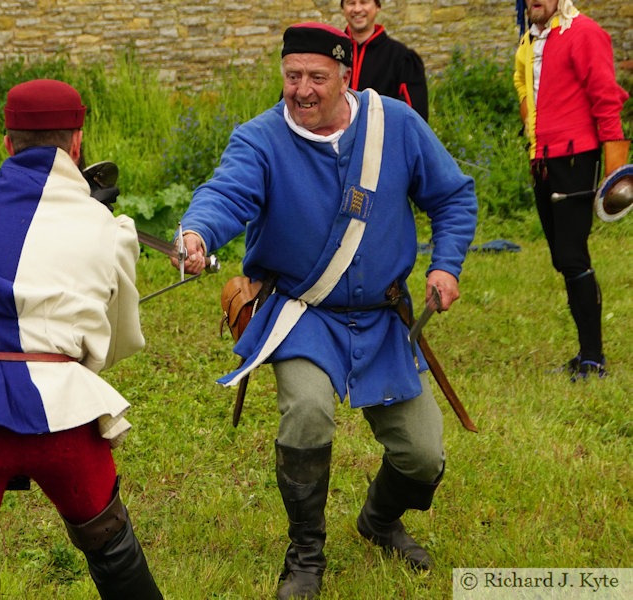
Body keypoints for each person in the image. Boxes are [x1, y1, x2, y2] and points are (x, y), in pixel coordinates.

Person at [173, 22, 476, 600]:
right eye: (292, 76)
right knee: (308, 412)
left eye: (316, 77)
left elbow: (453, 195)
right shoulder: (258, 138)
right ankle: (306, 553)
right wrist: (197, 235)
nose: (303, 90)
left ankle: (379, 520)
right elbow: (225, 193)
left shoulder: (397, 126)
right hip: (303, 315)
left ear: (345, 77)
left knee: (423, 455)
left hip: (384, 317)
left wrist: (448, 265)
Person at [0, 79, 163, 600]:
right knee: (110, 543)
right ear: (78, 143)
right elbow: (114, 344)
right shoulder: (109, 227)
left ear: (6, 142)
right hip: (64, 420)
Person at [513, 0, 629, 381]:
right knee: (562, 260)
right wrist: (531, 124)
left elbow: (606, 97)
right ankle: (585, 353)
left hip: (577, 158)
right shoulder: (531, 41)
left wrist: (615, 169)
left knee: (573, 255)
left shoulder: (585, 33)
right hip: (542, 159)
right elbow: (524, 83)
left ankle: (594, 358)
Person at [341, 0, 429, 121]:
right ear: (343, 8)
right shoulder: (331, 53)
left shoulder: (402, 57)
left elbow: (414, 115)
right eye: (351, 3)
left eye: (364, 2)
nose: (357, 9)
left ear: (377, 6)